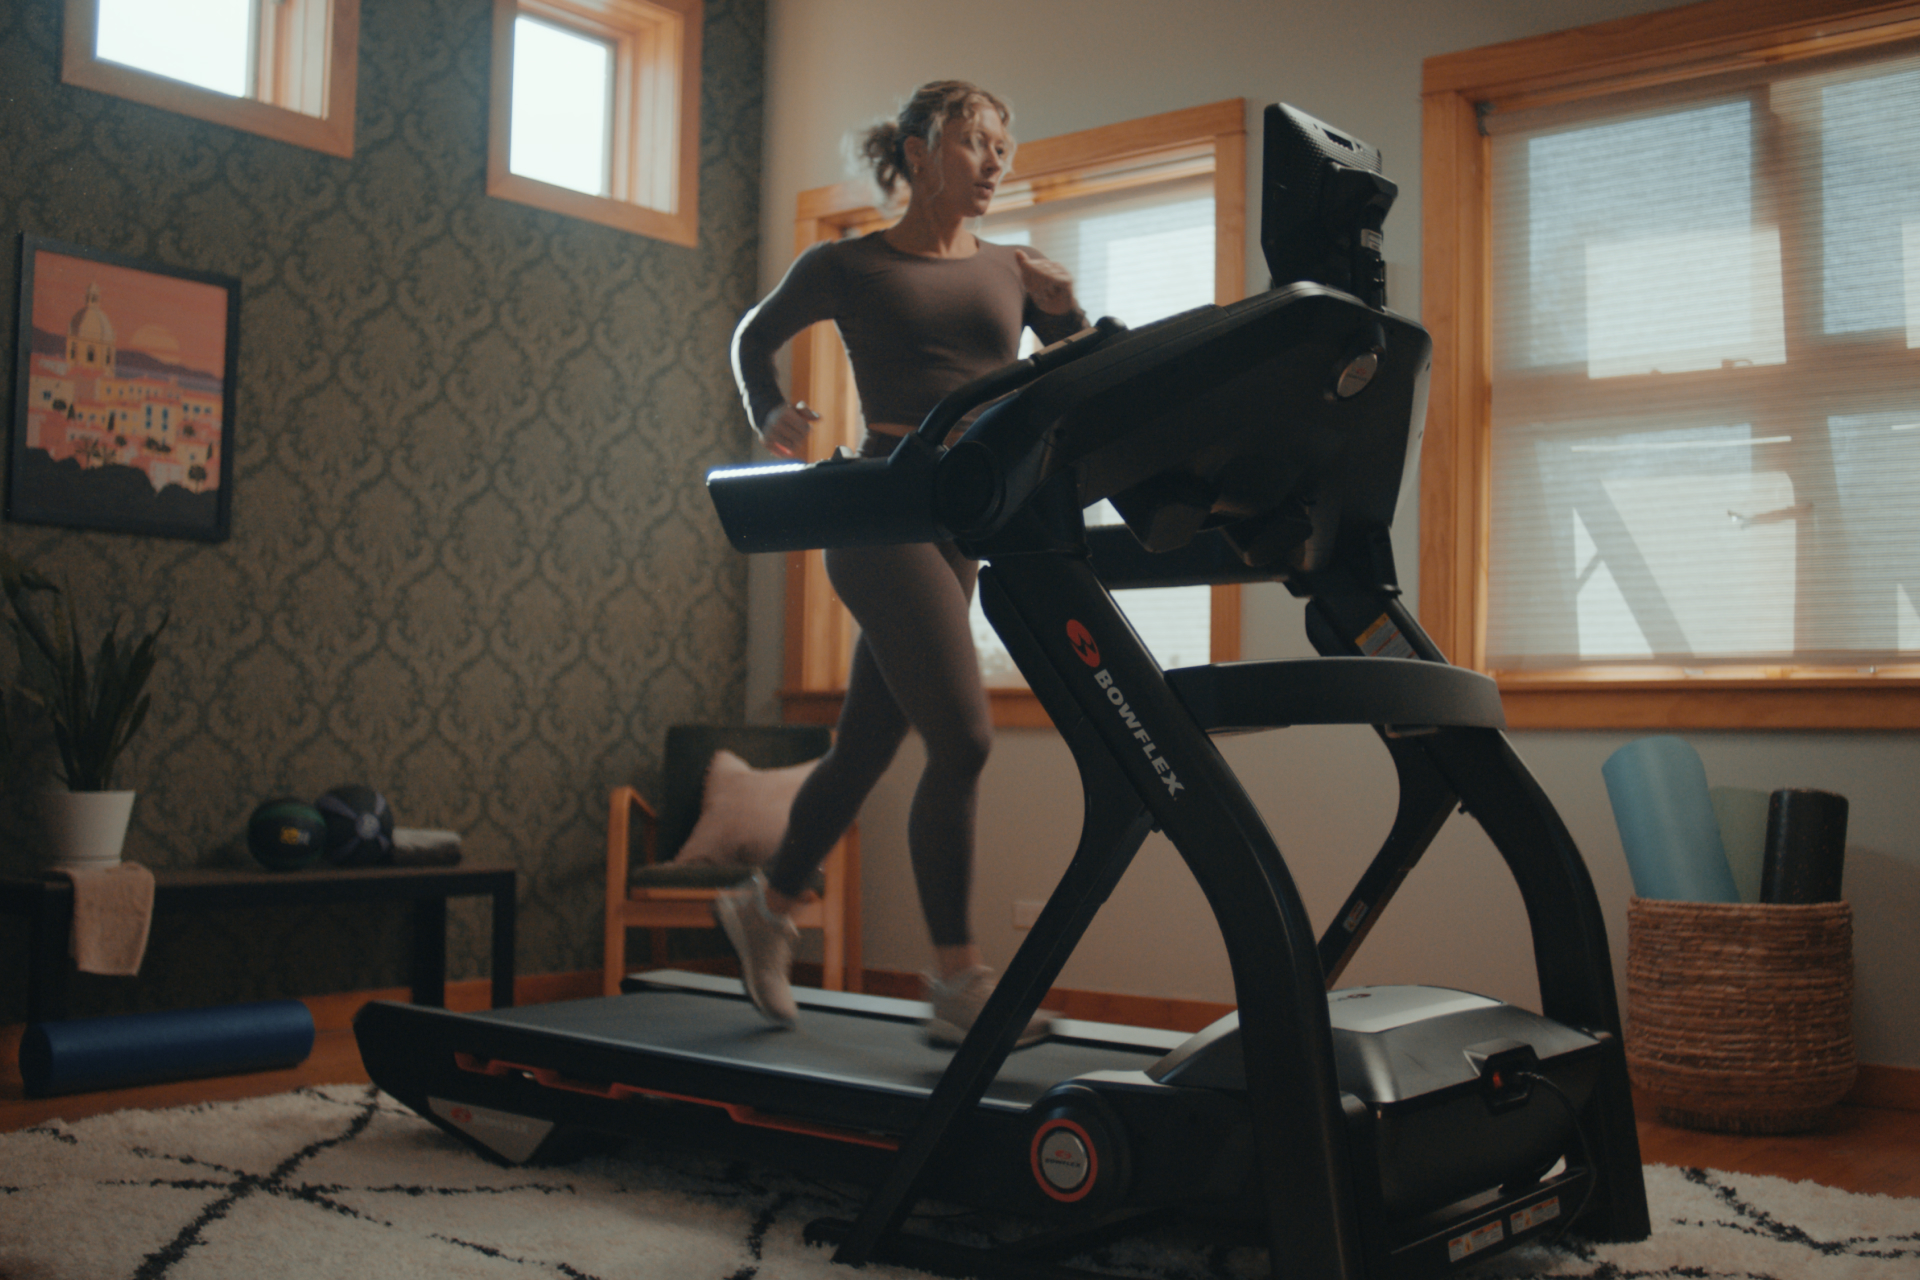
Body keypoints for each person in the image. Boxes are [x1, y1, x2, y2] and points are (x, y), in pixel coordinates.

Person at [716, 80, 1088, 1046]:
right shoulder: (849, 265)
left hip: (967, 522)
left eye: (1004, 143)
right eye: (974, 140)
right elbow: (754, 336)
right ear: (920, 152)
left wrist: (1069, 310)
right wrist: (768, 409)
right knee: (962, 740)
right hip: (879, 509)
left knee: (867, 747)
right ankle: (959, 982)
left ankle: (767, 903)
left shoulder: (1016, 270)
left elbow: (1083, 391)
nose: (995, 159)